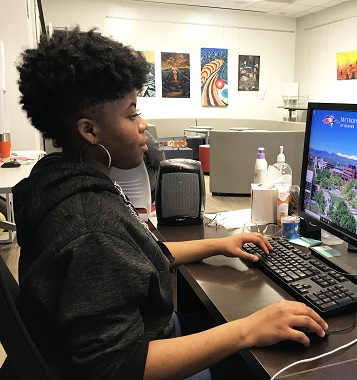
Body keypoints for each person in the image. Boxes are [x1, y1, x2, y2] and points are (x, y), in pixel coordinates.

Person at [13, 27, 328, 379]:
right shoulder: (91, 227)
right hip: (140, 356)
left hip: (145, 330)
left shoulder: (60, 180)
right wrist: (249, 329)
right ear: (89, 130)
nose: (143, 124)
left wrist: (220, 245)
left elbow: (134, 257)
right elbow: (116, 366)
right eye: (132, 114)